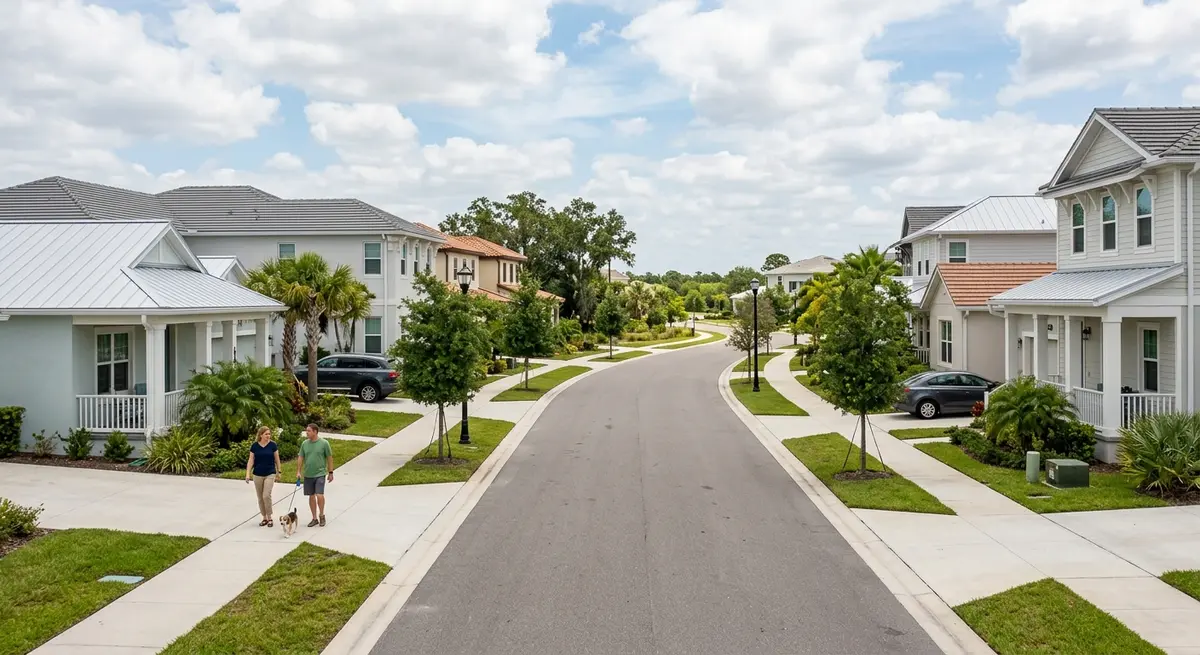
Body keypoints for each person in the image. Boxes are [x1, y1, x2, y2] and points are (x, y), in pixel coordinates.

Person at [296, 423, 334, 527]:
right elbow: (300, 457)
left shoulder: (324, 443)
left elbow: (329, 458)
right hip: (308, 474)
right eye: (306, 430)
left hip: (320, 473)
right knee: (311, 496)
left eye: (308, 431)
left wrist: (330, 472)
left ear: (315, 432)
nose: (306, 433)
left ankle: (321, 515)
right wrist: (298, 471)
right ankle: (314, 518)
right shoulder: (304, 444)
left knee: (319, 495)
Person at [245, 426, 281, 527]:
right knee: (260, 497)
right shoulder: (255, 446)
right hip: (257, 474)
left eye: (269, 434)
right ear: (261, 435)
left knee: (266, 495)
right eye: (266, 434)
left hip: (270, 473)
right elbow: (251, 460)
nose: (268, 436)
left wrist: (279, 471)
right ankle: (264, 517)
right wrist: (248, 473)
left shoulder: (273, 445)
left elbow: (277, 459)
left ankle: (270, 517)